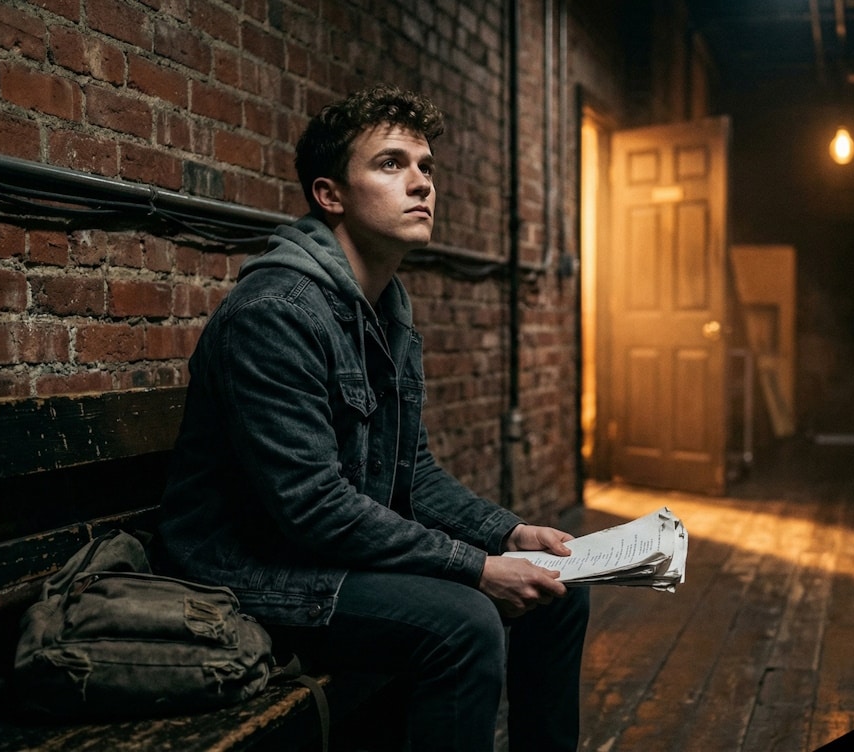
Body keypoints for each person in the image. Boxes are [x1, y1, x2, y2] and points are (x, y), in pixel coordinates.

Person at [152, 84, 590, 752]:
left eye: (425, 166)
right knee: (466, 621)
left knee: (560, 592)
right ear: (331, 195)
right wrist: (475, 566)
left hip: (325, 559)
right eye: (391, 164)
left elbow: (411, 472)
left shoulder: (384, 309)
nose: (420, 184)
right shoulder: (278, 313)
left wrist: (513, 532)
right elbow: (312, 505)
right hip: (248, 573)